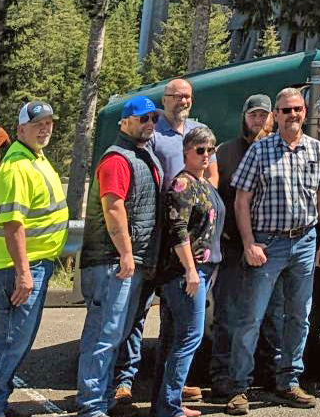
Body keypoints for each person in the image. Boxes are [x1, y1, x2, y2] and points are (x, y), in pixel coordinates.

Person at [220, 86, 320, 413]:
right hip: (266, 244)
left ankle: (288, 382)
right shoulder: (260, 151)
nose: (292, 115)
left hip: (304, 241)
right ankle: (239, 387)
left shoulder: (316, 150)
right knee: (251, 318)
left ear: (305, 112)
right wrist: (248, 243)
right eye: (285, 110)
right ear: (276, 114)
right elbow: (241, 201)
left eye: (297, 109)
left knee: (299, 317)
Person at [113, 77, 216, 409]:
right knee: (138, 312)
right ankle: (124, 381)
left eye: (187, 96)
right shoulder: (153, 133)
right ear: (165, 99)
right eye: (176, 96)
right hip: (159, 237)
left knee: (175, 326)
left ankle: (171, 389)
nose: (182, 101)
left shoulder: (198, 131)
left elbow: (211, 175)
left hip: (186, 236)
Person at [0, 100, 70, 417]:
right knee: (8, 342)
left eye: (48, 122)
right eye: (37, 123)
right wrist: (24, 273)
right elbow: (14, 225)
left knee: (14, 341)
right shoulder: (16, 167)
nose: (45, 128)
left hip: (32, 265)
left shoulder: (35, 157)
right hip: (15, 269)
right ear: (20, 129)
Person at [76, 96, 164, 417]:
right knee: (103, 334)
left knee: (117, 334)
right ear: (125, 122)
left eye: (153, 118)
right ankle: (91, 405)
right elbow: (113, 208)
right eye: (143, 118)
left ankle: (103, 399)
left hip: (133, 262)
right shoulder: (117, 159)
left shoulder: (143, 155)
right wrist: (126, 253)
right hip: (112, 263)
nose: (149, 124)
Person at [209, 95, 280, 399]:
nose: (259, 121)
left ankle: (266, 371)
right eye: (254, 115)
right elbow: (214, 198)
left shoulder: (281, 151)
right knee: (229, 315)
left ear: (273, 119)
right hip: (234, 248)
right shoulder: (224, 153)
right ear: (244, 118)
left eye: (264, 116)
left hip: (272, 247)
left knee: (270, 315)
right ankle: (222, 375)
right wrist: (222, 233)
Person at [153, 128, 224, 417]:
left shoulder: (203, 183)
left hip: (200, 270)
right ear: (186, 151)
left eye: (210, 149)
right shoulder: (182, 184)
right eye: (199, 150)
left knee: (173, 338)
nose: (205, 155)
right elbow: (178, 230)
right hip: (185, 275)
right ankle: (169, 407)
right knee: (189, 338)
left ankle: (165, 404)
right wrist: (191, 271)